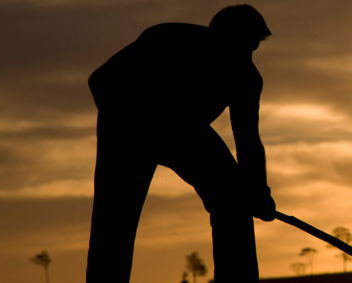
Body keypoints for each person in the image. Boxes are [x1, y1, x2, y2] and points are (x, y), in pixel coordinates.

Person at [85, 5, 275, 283]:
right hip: (128, 127)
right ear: (218, 35)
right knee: (114, 224)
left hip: (184, 131)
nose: (246, 56)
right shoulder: (166, 39)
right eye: (242, 45)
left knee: (236, 199)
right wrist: (134, 122)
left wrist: (258, 192)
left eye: (252, 49)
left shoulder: (246, 78)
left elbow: (248, 142)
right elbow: (100, 80)